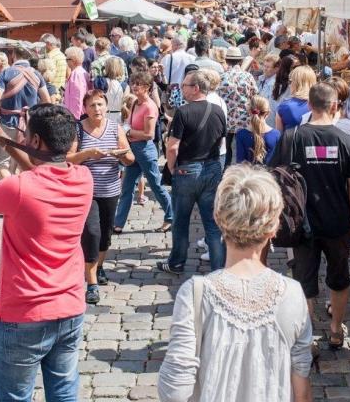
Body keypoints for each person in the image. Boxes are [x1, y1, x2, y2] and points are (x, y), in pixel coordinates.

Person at [0, 104, 93, 402]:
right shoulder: (83, 178)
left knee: (15, 399)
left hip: (23, 312)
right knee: (64, 395)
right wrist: (4, 139)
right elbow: (42, 171)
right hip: (69, 305)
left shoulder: (19, 188)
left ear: (35, 142)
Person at [158, 165, 314, 402]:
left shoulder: (196, 293)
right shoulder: (292, 293)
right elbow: (301, 390)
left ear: (219, 219)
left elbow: (175, 392)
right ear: (273, 227)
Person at [269, 83, 350, 351]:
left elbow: (273, 176)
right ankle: (336, 330)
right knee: (339, 276)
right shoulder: (347, 141)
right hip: (337, 222)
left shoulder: (290, 137)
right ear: (335, 107)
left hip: (301, 222)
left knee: (305, 280)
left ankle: (307, 335)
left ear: (309, 106)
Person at [66, 90, 134, 305]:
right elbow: (68, 159)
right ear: (85, 108)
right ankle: (92, 283)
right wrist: (87, 154)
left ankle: (99, 265)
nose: (97, 109)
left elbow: (130, 158)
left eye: (100, 104)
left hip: (111, 189)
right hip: (86, 190)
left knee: (105, 234)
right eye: (92, 105)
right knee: (92, 233)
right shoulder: (78, 129)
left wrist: (119, 154)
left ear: (106, 106)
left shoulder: (115, 128)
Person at [159, 70, 228, 274]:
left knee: (181, 221)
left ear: (196, 88)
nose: (182, 89)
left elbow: (172, 147)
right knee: (213, 224)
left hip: (187, 170)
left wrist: (172, 167)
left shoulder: (183, 112)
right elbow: (221, 141)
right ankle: (219, 268)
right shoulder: (218, 110)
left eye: (185, 86)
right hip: (212, 167)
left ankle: (177, 262)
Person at [114, 71, 175, 234]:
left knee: (156, 185)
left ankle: (171, 216)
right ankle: (118, 223)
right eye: (133, 83)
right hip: (133, 148)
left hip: (145, 150)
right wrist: (127, 129)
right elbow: (129, 123)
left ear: (147, 87)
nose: (134, 86)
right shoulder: (135, 103)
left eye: (138, 84)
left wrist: (128, 132)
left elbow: (149, 134)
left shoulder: (149, 106)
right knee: (127, 187)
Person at [0, 44, 50, 179]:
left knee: (3, 163)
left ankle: (11, 192)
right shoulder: (37, 74)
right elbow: (47, 101)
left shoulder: (5, 74)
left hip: (7, 123)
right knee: (24, 162)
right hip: (30, 125)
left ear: (13, 55)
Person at [217, 46, 259, 164]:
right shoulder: (248, 76)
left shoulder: (222, 77)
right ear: (240, 60)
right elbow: (255, 95)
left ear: (226, 60)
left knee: (227, 149)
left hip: (227, 119)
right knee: (243, 150)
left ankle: (226, 171)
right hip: (245, 119)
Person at [234, 95, 280, 164]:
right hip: (268, 174)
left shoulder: (241, 134)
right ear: (268, 113)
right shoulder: (276, 135)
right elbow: (277, 162)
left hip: (248, 174)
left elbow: (240, 162)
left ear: (249, 111)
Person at [275, 66, 316, 132]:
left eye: (290, 81)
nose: (289, 85)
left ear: (296, 83)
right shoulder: (320, 104)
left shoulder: (284, 106)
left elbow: (279, 136)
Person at [62, 47, 89, 120]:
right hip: (82, 112)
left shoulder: (76, 74)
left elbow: (77, 96)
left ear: (73, 60)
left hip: (78, 115)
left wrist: (74, 117)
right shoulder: (82, 71)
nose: (66, 62)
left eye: (67, 59)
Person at [100, 56, 127, 125]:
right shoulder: (125, 85)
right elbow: (125, 105)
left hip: (103, 116)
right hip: (118, 117)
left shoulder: (101, 82)